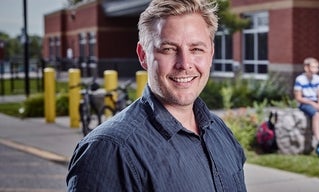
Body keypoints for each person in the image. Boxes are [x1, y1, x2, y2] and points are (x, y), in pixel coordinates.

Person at [66, 0, 247, 191]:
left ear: (211, 53)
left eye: (196, 49)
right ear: (143, 55)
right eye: (168, 49)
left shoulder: (218, 131)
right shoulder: (110, 150)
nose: (185, 64)